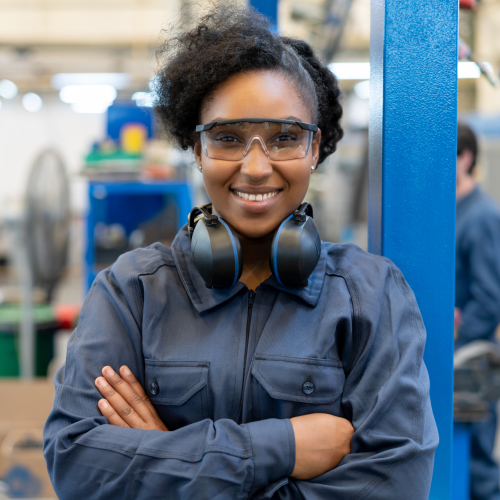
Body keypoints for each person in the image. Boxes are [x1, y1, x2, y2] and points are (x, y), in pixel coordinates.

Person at [44, 6, 438, 499]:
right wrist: (285, 446)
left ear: (315, 148)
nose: (255, 167)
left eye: (286, 138)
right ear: (197, 147)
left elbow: (396, 484)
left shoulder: (371, 295)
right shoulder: (132, 294)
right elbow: (77, 463)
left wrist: (170, 458)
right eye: (228, 138)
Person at [455, 122, 500, 500]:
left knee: (477, 462)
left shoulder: (482, 216)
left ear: (466, 158)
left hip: (472, 357)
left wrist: (460, 331)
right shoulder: (450, 211)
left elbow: (490, 298)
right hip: (454, 350)